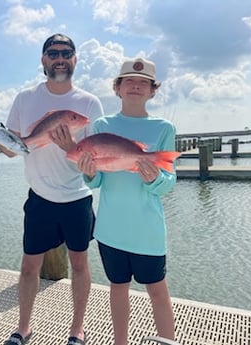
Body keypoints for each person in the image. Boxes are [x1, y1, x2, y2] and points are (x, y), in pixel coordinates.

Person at [0, 33, 104, 345]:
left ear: (75, 60)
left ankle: (77, 330)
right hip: (39, 197)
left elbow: (93, 161)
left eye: (66, 53)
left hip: (77, 198)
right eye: (53, 53)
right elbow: (14, 149)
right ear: (43, 60)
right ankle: (23, 328)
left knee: (80, 265)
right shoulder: (25, 99)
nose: (59, 58)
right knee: (30, 266)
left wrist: (71, 147)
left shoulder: (89, 104)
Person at [76, 57, 177, 344]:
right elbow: (97, 182)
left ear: (153, 91)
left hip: (148, 231)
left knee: (157, 290)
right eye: (129, 81)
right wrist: (88, 173)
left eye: (143, 82)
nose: (136, 86)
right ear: (117, 88)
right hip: (110, 230)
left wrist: (153, 179)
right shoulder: (102, 125)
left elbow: (168, 183)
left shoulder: (164, 128)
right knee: (117, 288)